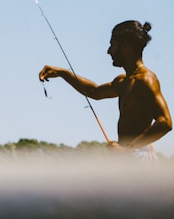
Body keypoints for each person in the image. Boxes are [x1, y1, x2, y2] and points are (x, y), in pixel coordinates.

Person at [39, 20, 172, 161]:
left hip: (139, 155)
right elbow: (94, 91)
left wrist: (128, 148)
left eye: (112, 45)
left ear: (125, 46)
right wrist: (62, 73)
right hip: (127, 154)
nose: (109, 51)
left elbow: (165, 122)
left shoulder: (146, 80)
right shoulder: (123, 81)